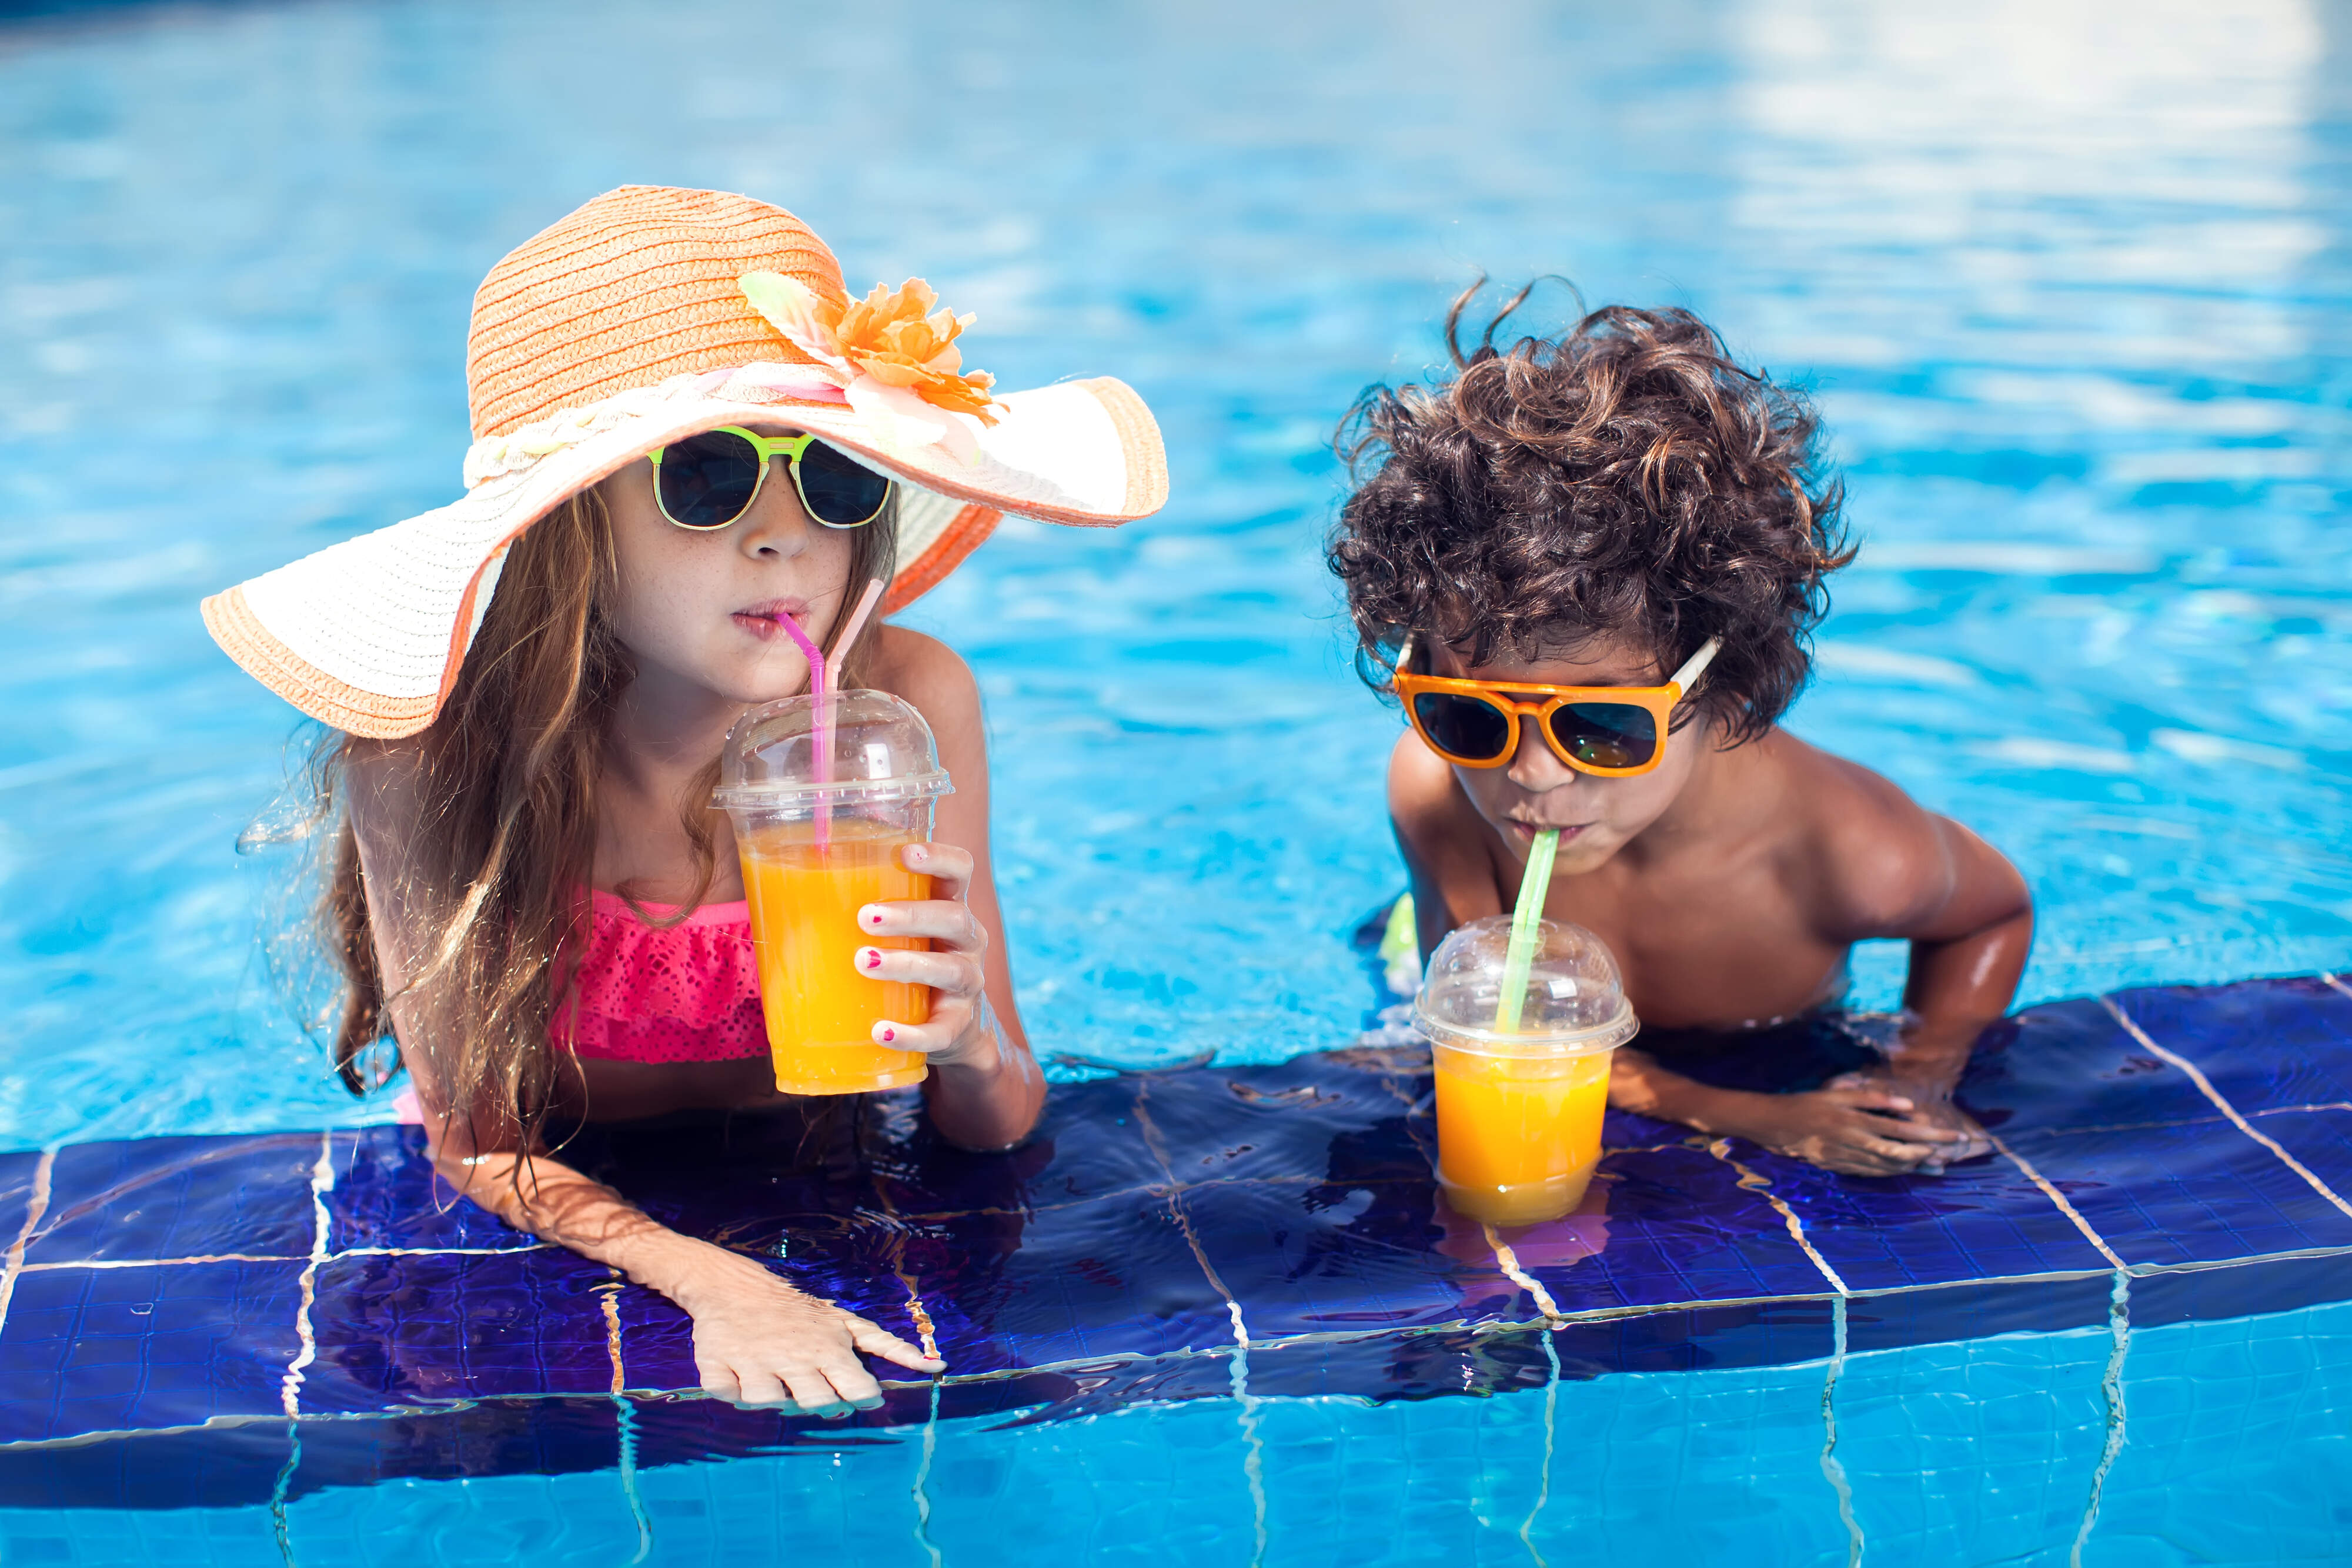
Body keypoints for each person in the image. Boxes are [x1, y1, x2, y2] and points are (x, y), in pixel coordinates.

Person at [201, 187, 1165, 1410]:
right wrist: (711, 1280)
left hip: (828, 1155)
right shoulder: (435, 759)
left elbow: (998, 1115)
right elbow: (477, 1138)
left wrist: (966, 1033)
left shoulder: (906, 704)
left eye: (833, 474)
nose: (785, 537)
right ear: (567, 529)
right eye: (707, 476)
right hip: (553, 1198)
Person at [1329, 285, 2031, 1178]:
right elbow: (1504, 1040)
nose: (1535, 776)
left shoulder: (1849, 854)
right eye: (1466, 715)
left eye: (1605, 726)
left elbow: (1992, 915)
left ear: (1724, 684)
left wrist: (1924, 1075)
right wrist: (1757, 1118)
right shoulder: (1437, 796)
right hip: (1492, 976)